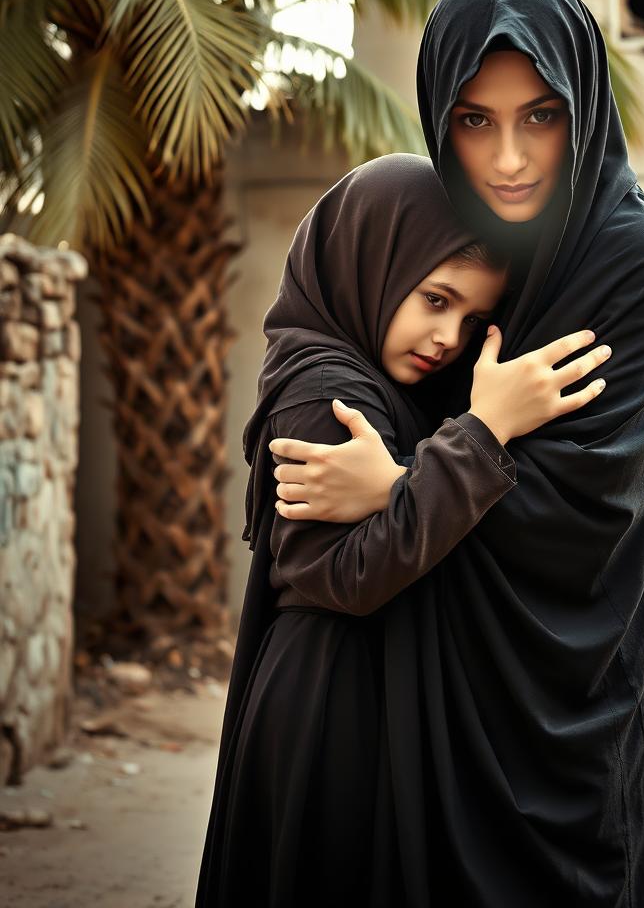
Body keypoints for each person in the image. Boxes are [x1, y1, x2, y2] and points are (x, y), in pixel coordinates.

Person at [271, 0, 644, 906]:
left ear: (582, 107)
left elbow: (587, 499)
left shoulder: (635, 261)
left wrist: (396, 488)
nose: (509, 159)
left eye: (540, 115)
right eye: (475, 120)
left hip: (574, 681)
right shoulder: (466, 248)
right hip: (427, 702)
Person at [195, 153, 610, 906]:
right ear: (370, 257)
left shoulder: (388, 387)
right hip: (333, 711)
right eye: (434, 298)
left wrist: (408, 479)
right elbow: (348, 575)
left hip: (371, 699)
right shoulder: (324, 390)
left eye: (472, 318)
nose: (448, 336)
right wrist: (485, 432)